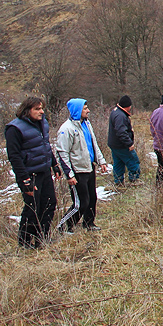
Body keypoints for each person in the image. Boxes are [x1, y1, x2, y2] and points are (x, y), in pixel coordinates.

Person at [5, 96, 62, 248]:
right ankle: (24, 242)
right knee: (32, 207)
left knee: (49, 204)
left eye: (42, 108)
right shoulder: (14, 128)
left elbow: (45, 145)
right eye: (37, 109)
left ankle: (41, 238)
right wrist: (24, 180)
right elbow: (14, 157)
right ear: (26, 110)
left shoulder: (42, 124)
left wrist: (54, 164)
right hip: (30, 174)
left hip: (44, 171)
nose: (41, 112)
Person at [56, 98, 109, 232]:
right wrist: (69, 175)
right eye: (85, 108)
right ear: (77, 110)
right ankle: (64, 227)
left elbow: (93, 145)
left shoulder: (86, 124)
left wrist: (101, 161)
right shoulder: (66, 129)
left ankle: (89, 224)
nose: (88, 111)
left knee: (92, 198)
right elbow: (62, 153)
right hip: (77, 171)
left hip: (89, 167)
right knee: (81, 203)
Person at [107, 95, 141, 186]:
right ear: (128, 106)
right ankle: (134, 180)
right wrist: (129, 144)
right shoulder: (120, 116)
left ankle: (118, 182)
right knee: (133, 160)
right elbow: (121, 132)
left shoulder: (115, 112)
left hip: (115, 144)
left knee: (118, 163)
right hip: (122, 145)